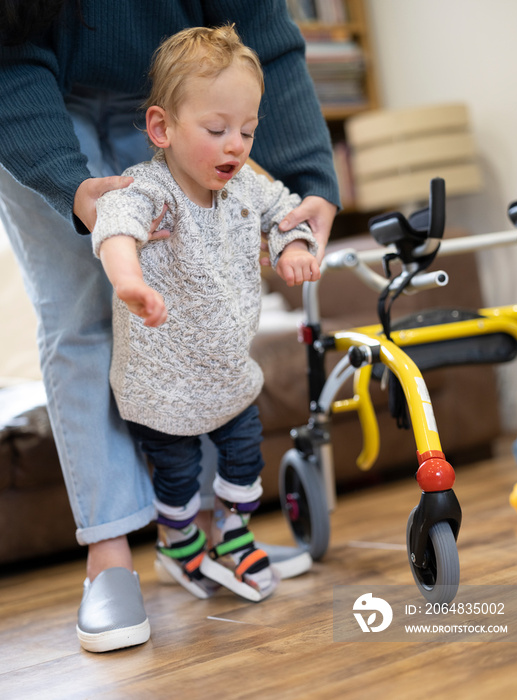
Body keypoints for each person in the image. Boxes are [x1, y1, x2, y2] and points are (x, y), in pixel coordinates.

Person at [0, 1, 340, 653]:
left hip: (173, 94)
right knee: (77, 316)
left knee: (189, 299)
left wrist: (308, 182)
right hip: (31, 91)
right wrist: (80, 200)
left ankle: (203, 536)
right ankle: (108, 558)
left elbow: (262, 37)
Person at [92, 24, 320, 617]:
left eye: (247, 131)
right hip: (161, 381)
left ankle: (236, 532)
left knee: (245, 458)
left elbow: (286, 211)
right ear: (162, 128)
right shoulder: (151, 189)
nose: (235, 146)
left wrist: (293, 247)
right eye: (217, 130)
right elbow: (115, 226)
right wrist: (128, 280)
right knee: (178, 473)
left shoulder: (245, 184)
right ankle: (182, 543)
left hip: (226, 371)